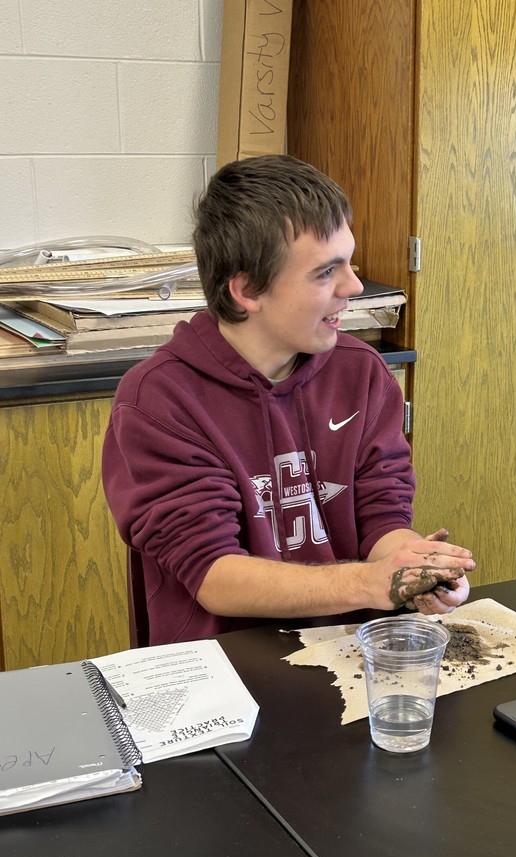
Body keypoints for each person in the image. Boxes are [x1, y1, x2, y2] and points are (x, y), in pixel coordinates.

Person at [102, 155, 474, 644]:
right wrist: (370, 581)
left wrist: (415, 567)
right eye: (325, 273)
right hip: (227, 676)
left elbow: (381, 517)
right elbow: (215, 575)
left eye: (349, 261)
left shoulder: (360, 372)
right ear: (247, 290)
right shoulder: (160, 400)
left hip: (349, 653)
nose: (354, 287)